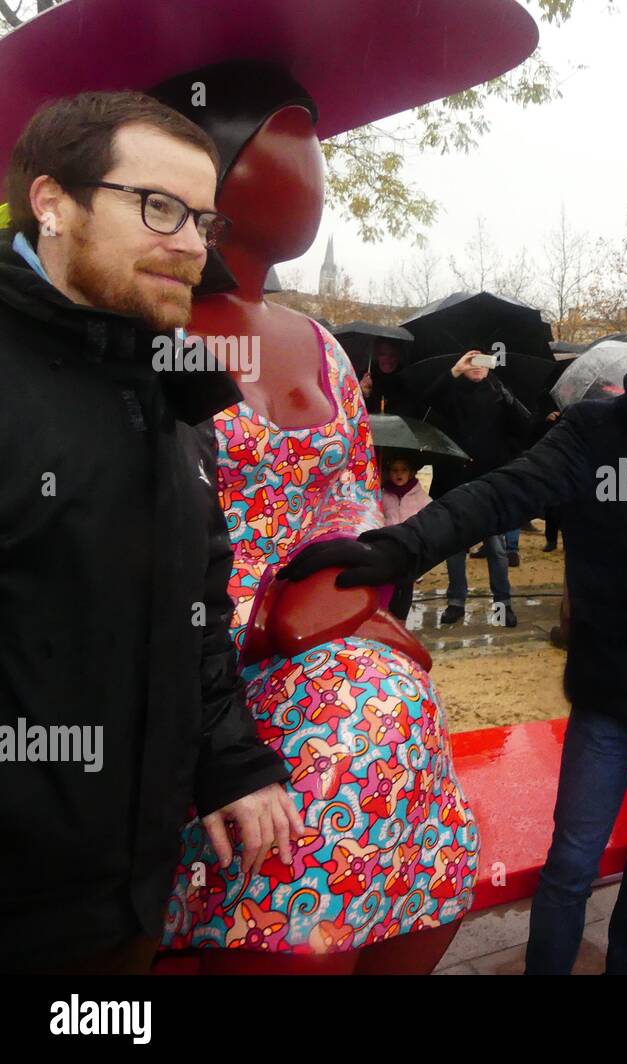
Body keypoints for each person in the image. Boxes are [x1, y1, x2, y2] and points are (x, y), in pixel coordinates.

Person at [280, 269, 627, 975]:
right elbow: (498, 496)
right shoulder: (594, 432)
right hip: (611, 688)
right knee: (574, 858)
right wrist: (398, 545)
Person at [145, 62, 478, 974]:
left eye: (315, 150)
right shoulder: (152, 333)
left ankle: (402, 895)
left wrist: (348, 584)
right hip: (212, 667)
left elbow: (351, 497)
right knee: (328, 788)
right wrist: (259, 609)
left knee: (392, 728)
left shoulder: (323, 347)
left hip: (335, 642)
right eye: (279, 147)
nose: (311, 173)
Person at [0, 92, 298, 974]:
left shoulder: (172, 384)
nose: (194, 245)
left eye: (203, 218)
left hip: (135, 897)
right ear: (52, 202)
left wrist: (229, 764)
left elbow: (196, 604)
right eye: (158, 207)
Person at [418, 349, 533, 627]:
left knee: (496, 547)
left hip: (491, 482)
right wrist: (455, 370)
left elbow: (525, 424)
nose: (477, 368)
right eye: (472, 362)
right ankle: (456, 601)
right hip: (456, 478)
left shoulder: (499, 391)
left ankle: (502, 604)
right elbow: (427, 400)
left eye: (483, 362)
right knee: (456, 547)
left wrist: (508, 398)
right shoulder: (452, 392)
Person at [380, 453, 433, 622]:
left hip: (410, 551)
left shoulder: (421, 498)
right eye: (395, 470)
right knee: (388, 587)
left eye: (403, 470)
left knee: (405, 589)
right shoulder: (383, 495)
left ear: (411, 473)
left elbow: (430, 521)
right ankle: (388, 621)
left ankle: (401, 622)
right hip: (388, 550)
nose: (399, 474)